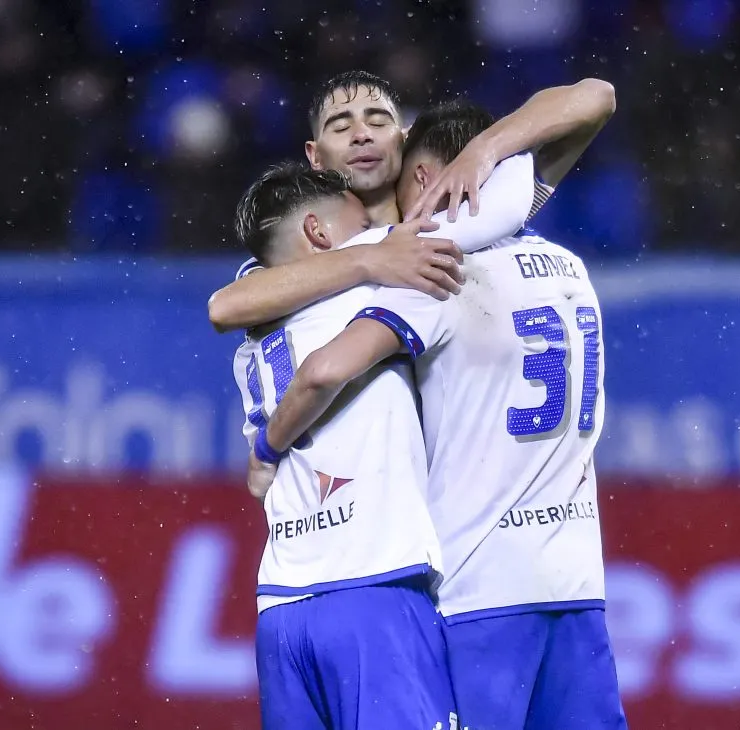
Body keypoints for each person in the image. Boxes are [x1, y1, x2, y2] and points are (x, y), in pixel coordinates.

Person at [248, 102, 627, 730]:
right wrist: (492, 149)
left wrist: (267, 447)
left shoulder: (440, 275)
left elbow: (323, 368)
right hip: (575, 583)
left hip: (479, 589)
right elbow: (593, 97)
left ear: (426, 181)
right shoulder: (570, 268)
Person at [233, 151, 535, 729]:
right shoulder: (363, 272)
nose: (376, 231)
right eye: (361, 221)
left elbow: (227, 302)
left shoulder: (257, 325)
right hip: (371, 590)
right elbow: (521, 188)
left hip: (282, 608)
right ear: (319, 234)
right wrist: (486, 151)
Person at [207, 70, 616, 333]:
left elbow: (595, 96)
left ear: (402, 138)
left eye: (378, 121)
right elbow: (226, 307)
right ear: (315, 157)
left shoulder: (468, 212)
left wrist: (484, 149)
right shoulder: (307, 245)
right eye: (340, 126)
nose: (362, 134)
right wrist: (369, 259)